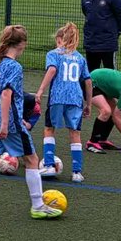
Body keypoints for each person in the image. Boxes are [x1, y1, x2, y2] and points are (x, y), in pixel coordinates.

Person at [0, 24, 63, 220]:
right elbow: (6, 94)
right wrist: (5, 124)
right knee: (32, 160)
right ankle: (38, 205)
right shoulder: (14, 66)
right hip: (9, 122)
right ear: (21, 44)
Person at [33, 21, 93, 184]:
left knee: (49, 129)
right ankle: (77, 172)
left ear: (60, 39)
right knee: (75, 133)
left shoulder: (54, 54)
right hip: (75, 99)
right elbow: (88, 81)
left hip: (58, 97)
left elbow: (52, 70)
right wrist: (88, 104)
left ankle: (50, 165)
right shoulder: (80, 58)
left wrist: (40, 91)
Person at [80, 0, 121, 71]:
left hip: (107, 43)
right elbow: (86, 13)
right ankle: (94, 88)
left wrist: (117, 32)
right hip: (91, 42)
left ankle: (109, 87)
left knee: (110, 73)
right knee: (91, 73)